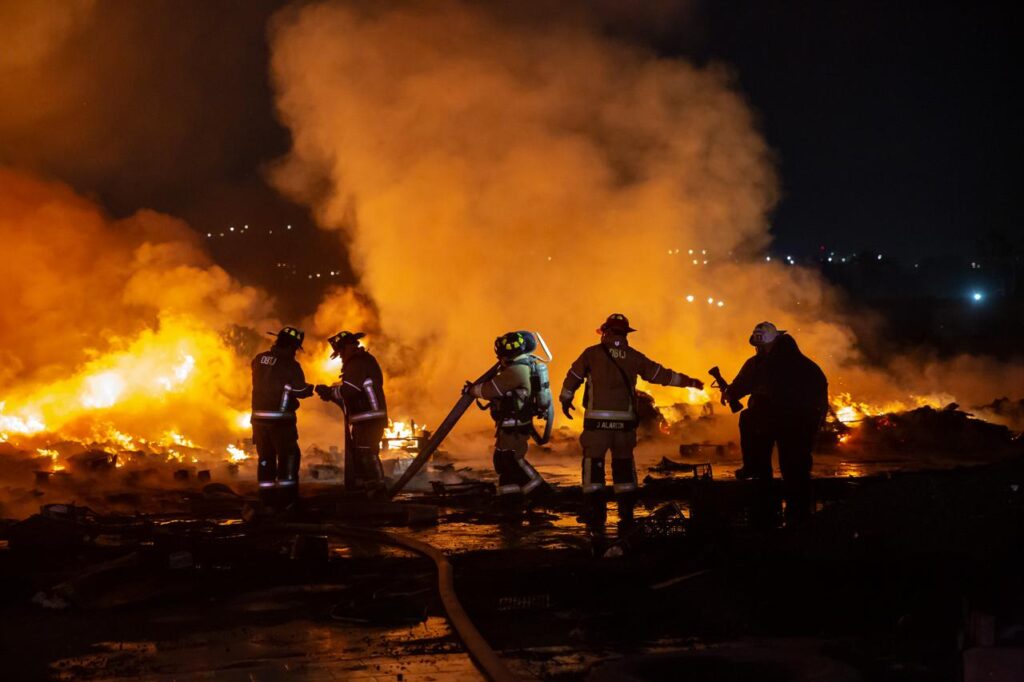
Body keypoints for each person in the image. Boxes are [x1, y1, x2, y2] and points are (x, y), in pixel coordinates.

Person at [559, 314, 704, 527]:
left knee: (593, 465)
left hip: (596, 426)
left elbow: (573, 377)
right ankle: (626, 514)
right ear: (626, 334)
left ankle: (594, 512)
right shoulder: (633, 356)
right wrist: (689, 381)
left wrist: (565, 399)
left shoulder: (591, 354)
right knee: (624, 467)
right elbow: (660, 374)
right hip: (625, 426)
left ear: (605, 331)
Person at [723, 321, 828, 522]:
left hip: (787, 423)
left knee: (780, 468)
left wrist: (731, 393)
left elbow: (741, 386)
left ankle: (771, 517)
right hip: (796, 424)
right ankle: (798, 519)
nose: (757, 349)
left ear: (771, 343)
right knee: (795, 472)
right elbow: (820, 395)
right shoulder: (803, 364)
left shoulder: (764, 364)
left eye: (760, 345)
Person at [464, 331, 547, 507]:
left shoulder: (517, 370)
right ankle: (510, 499)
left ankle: (541, 493)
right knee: (502, 461)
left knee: (513, 460)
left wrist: (471, 390)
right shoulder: (516, 367)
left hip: (516, 425)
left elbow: (491, 390)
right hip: (509, 423)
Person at [250, 326, 315, 511]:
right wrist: (311, 389)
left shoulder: (259, 359)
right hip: (281, 422)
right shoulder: (290, 365)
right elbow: (299, 390)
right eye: (295, 349)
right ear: (290, 347)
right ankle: (287, 501)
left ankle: (267, 500)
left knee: (266, 459)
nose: (295, 353)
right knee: (289, 458)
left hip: (259, 421)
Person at [315, 331, 388, 492]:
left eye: (340, 352)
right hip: (365, 418)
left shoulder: (357, 363)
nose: (340, 356)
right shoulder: (362, 361)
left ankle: (377, 489)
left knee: (367, 452)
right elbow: (352, 389)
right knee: (363, 452)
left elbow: (350, 390)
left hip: (369, 417)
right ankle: (368, 487)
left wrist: (330, 392)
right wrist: (332, 392)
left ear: (347, 348)